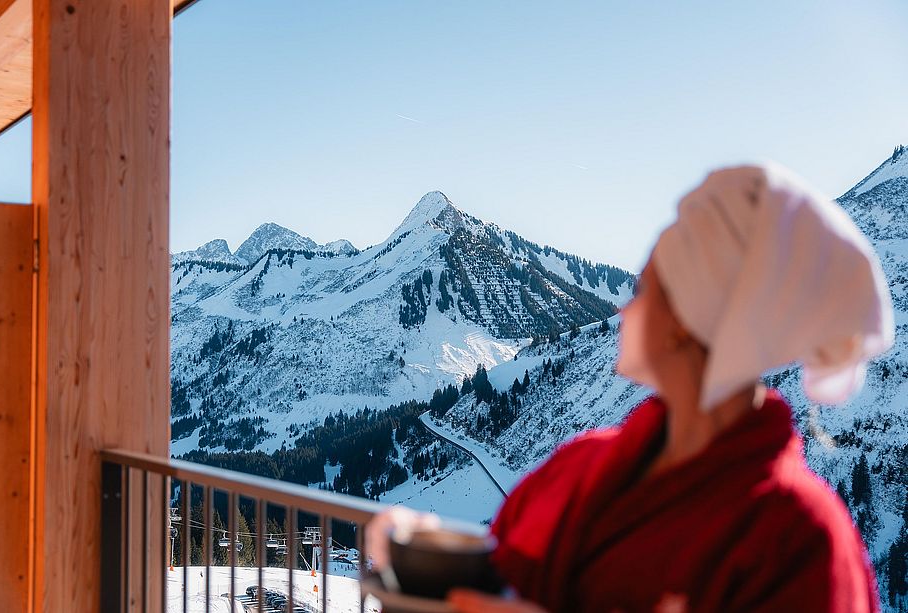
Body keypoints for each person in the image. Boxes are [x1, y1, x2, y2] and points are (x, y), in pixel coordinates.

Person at [366, 162, 894, 612]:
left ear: (687, 317)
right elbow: (494, 577)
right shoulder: (580, 466)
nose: (625, 307)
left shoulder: (800, 540)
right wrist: (421, 553)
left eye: (647, 287)